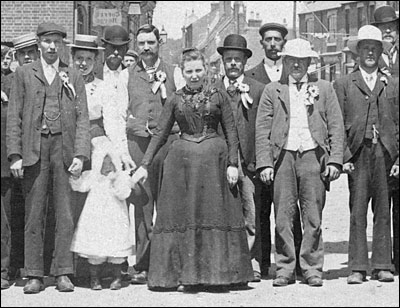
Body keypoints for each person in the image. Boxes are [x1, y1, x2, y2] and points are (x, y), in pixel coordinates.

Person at [131, 48, 253, 291]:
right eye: (189, 71)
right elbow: (160, 134)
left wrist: (232, 164)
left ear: (206, 70)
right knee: (184, 216)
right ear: (182, 73)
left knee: (213, 215)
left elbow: (231, 133)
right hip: (182, 166)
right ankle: (181, 275)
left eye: (198, 70)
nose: (194, 75)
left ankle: (216, 276)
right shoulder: (175, 98)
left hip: (214, 165)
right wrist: (144, 165)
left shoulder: (218, 95)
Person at [6, 22, 90, 293]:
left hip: (63, 150)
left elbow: (82, 117)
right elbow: (14, 117)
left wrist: (80, 153)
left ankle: (63, 271)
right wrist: (15, 154)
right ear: (38, 43)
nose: (52, 47)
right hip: (34, 148)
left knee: (64, 213)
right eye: (47, 42)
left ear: (62, 45)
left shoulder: (72, 74)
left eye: (57, 42)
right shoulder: (23, 73)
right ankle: (34, 273)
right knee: (35, 212)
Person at [256, 38, 344, 287]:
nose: (296, 65)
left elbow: (336, 126)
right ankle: (285, 267)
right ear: (284, 62)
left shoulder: (324, 88)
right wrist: (265, 163)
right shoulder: (273, 90)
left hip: (313, 155)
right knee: (283, 214)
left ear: (309, 62)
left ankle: (312, 267)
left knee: (312, 214)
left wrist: (335, 160)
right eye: (292, 60)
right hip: (283, 156)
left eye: (301, 60)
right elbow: (262, 129)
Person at [118, 24, 184, 285]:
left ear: (160, 44)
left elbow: (181, 106)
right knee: (142, 205)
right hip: (139, 145)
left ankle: (169, 264)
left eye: (151, 43)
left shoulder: (173, 72)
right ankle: (143, 264)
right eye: (142, 43)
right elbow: (120, 112)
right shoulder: (126, 75)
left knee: (168, 204)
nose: (146, 48)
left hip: (167, 145)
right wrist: (133, 132)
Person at [334, 25, 398, 284]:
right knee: (357, 209)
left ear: (381, 52)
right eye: (365, 48)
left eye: (375, 48)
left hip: (385, 153)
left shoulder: (391, 84)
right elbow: (337, 123)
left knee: (383, 209)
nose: (370, 52)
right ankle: (358, 267)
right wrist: (345, 157)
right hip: (358, 154)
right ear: (357, 53)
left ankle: (383, 264)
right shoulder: (344, 84)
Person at [246, 22, 302, 278]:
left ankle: (297, 261)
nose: (272, 44)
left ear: (284, 43)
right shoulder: (251, 75)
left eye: (277, 39)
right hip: (262, 153)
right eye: (267, 39)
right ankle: (262, 262)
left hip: (288, 153)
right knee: (260, 209)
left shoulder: (294, 73)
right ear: (261, 44)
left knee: (289, 209)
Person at [213, 34, 265, 282]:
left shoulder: (257, 89)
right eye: (228, 59)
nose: (233, 64)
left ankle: (250, 262)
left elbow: (263, 125)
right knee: (222, 210)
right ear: (222, 61)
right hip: (221, 160)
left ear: (245, 61)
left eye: (237, 59)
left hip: (247, 161)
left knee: (250, 211)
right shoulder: (212, 89)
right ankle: (224, 262)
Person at [1, 33, 41, 287]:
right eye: (21, 54)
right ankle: (5, 268)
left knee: (27, 213)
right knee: (5, 215)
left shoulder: (40, 80)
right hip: (7, 160)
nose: (27, 57)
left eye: (31, 52)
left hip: (34, 156)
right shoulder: (9, 81)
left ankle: (27, 264)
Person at [70, 136, 134, 291]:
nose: (108, 166)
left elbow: (124, 193)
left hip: (115, 219)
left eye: (111, 162)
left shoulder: (121, 177)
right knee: (95, 251)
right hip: (96, 219)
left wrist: (115, 181)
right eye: (104, 163)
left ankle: (117, 277)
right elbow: (79, 186)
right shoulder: (93, 176)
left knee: (116, 251)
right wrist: (76, 176)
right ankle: (95, 278)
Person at [372, 5, 399, 274]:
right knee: (381, 203)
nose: (388, 31)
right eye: (383, 28)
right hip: (378, 138)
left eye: (392, 26)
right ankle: (383, 262)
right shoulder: (370, 58)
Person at [101, 25, 130, 89]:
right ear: (104, 48)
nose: (116, 52)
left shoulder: (130, 76)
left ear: (126, 50)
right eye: (112, 47)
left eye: (120, 48)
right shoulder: (94, 73)